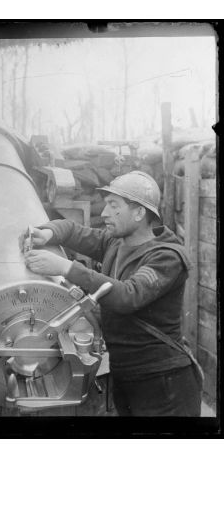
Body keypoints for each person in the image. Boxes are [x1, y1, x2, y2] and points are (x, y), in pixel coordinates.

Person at [23, 170, 201, 416]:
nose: (105, 213)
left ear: (139, 213)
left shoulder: (167, 257)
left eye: (114, 206)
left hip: (163, 382)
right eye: (106, 205)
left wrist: (64, 267)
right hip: (127, 375)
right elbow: (73, 231)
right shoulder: (116, 242)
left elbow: (128, 296)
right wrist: (48, 233)